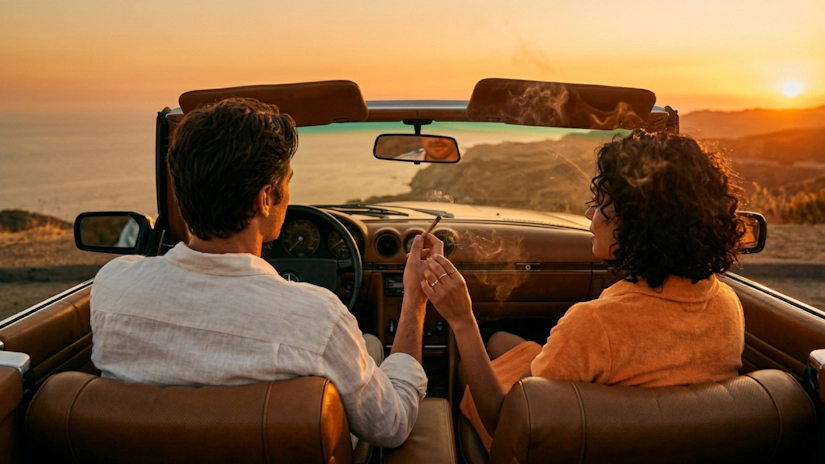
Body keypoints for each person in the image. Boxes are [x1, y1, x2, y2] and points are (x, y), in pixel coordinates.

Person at [90, 98, 438, 448]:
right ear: (265, 199)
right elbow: (390, 427)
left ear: (181, 195)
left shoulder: (112, 286)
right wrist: (414, 299)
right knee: (372, 347)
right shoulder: (320, 319)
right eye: (287, 182)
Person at [417, 130, 746, 449]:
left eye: (602, 203)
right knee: (501, 341)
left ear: (637, 222)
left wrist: (461, 318)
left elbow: (503, 421)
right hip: (660, 443)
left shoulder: (594, 326)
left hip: (548, 446)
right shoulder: (725, 303)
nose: (590, 213)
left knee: (467, 367)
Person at [394, 136, 459, 162]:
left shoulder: (468, 167)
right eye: (430, 134)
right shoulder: (399, 162)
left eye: (444, 134)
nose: (437, 140)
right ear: (421, 137)